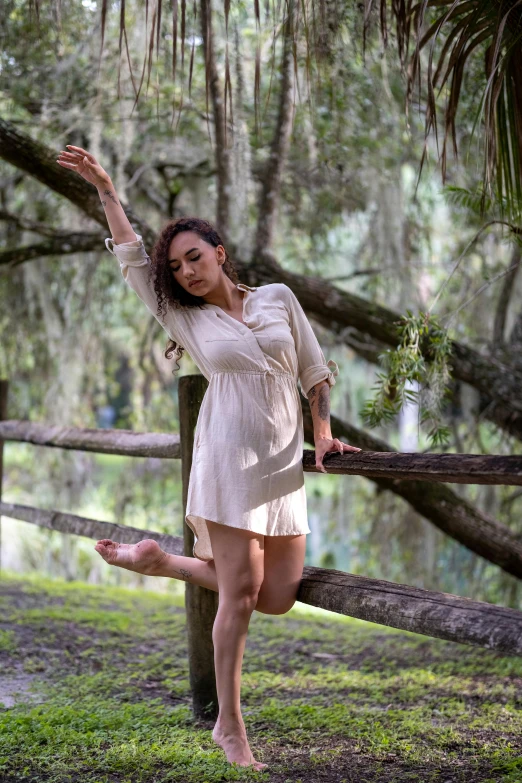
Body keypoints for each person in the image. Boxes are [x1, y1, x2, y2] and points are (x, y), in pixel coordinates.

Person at [56, 144, 362, 771]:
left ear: (219, 253)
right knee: (241, 597)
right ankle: (230, 726)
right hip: (224, 458)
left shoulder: (277, 297)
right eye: (178, 266)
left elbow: (313, 368)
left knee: (277, 594)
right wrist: (107, 191)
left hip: (278, 467)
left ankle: (164, 562)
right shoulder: (183, 318)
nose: (187, 271)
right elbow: (132, 261)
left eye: (195, 257)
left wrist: (323, 432)